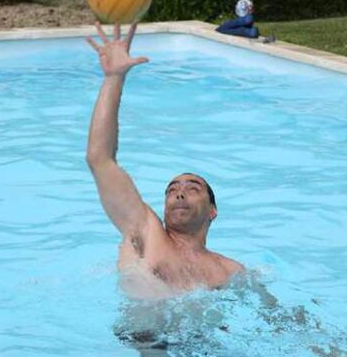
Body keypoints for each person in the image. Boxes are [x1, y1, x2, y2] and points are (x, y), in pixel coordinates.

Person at [86, 21, 245, 299]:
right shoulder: (146, 233)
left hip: (203, 340)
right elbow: (99, 159)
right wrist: (114, 79)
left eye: (192, 188)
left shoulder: (229, 271)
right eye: (172, 190)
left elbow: (276, 317)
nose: (179, 193)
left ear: (212, 211)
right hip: (148, 341)